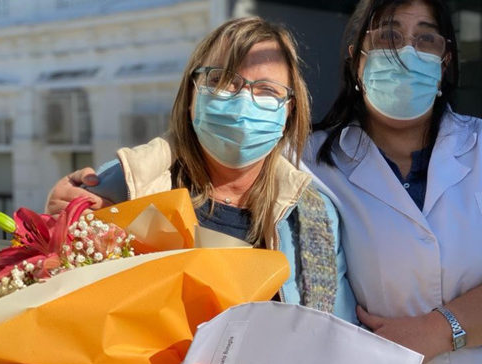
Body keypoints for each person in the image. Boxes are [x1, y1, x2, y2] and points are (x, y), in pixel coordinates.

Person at [305, 0, 482, 364]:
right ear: (357, 59)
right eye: (389, 35)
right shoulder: (310, 160)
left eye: (425, 38)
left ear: (444, 62)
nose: (407, 51)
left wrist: (440, 329)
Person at [45, 17, 357, 323]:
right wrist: (57, 224)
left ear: (289, 110)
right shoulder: (126, 183)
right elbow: (50, 292)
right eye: (224, 80)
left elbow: (336, 334)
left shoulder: (314, 217)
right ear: (191, 95)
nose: (242, 100)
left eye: (266, 89)